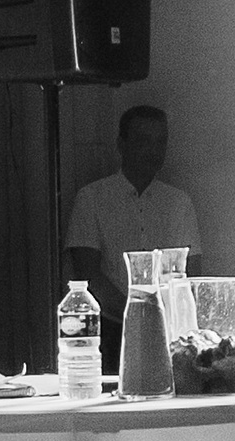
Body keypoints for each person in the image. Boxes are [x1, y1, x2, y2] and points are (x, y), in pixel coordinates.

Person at [66, 104, 202, 360]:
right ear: (121, 144)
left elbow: (190, 275)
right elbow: (87, 276)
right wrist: (137, 316)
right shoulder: (92, 198)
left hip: (170, 333)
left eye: (160, 142)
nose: (153, 151)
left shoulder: (178, 202)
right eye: (143, 141)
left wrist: (164, 321)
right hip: (108, 333)